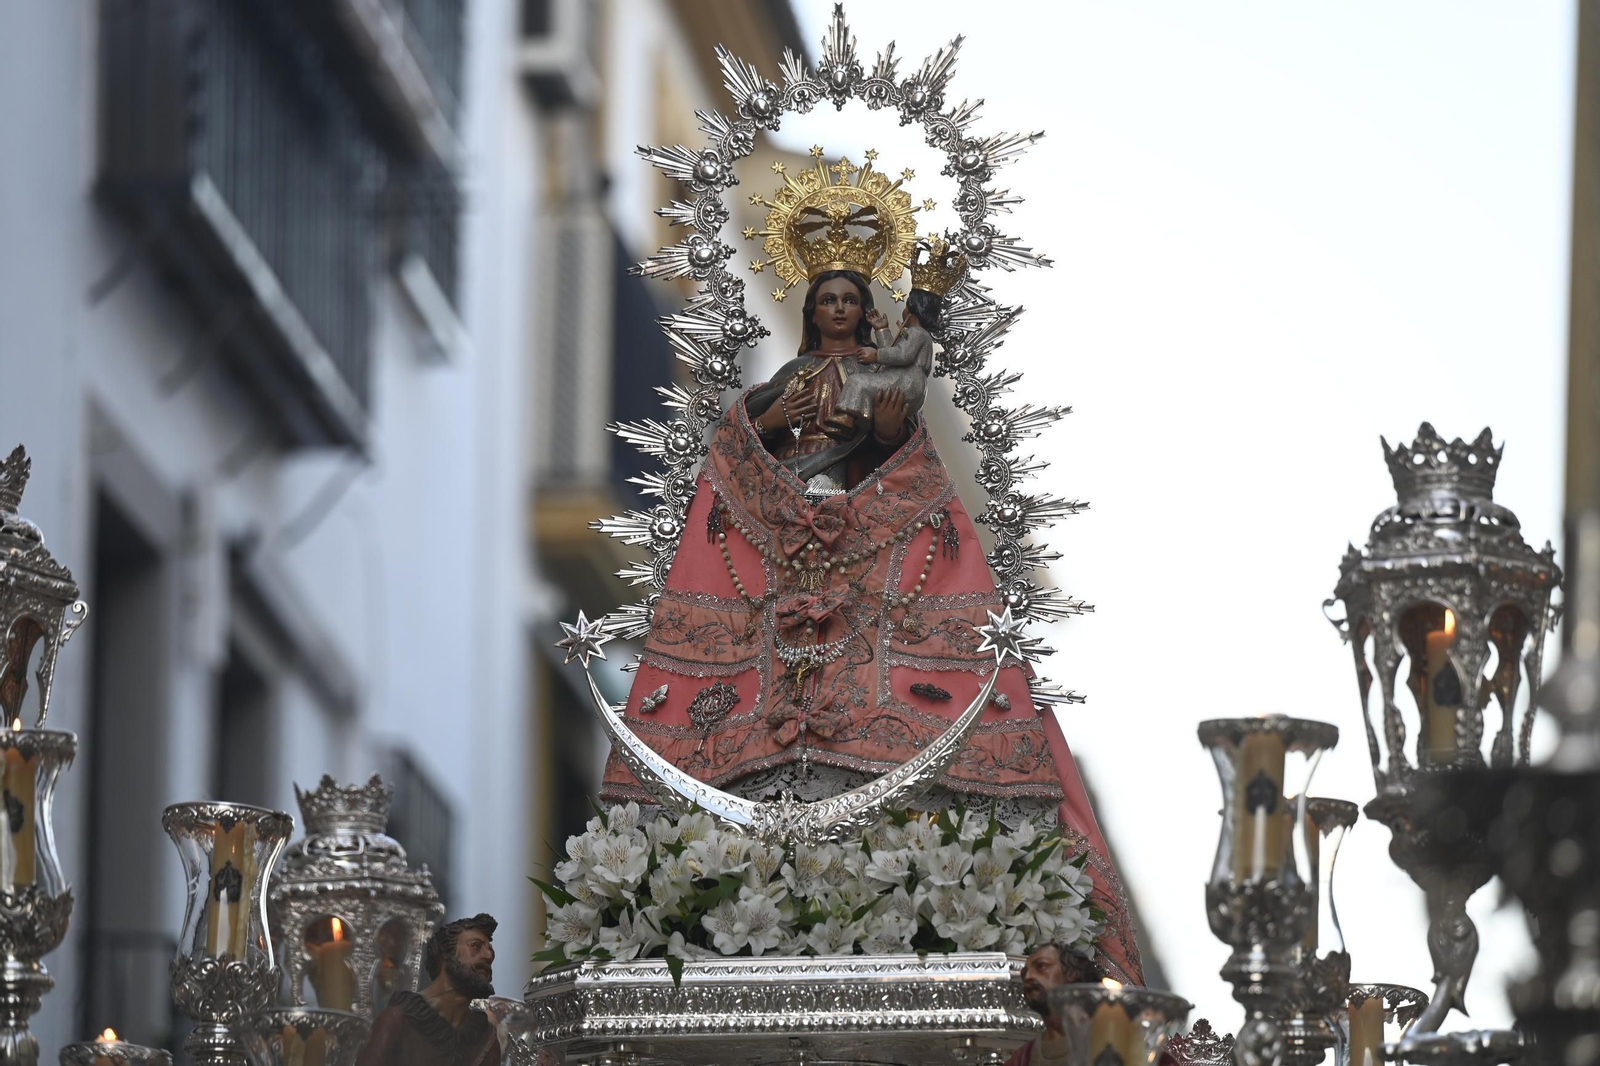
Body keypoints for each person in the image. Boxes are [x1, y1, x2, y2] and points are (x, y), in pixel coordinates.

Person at [600, 189, 1143, 984]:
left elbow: (897, 428)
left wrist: (902, 383)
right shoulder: (791, 377)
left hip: (873, 552)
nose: (842, 311)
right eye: (830, 301)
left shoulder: (884, 373)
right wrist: (774, 436)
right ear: (813, 310)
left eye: (853, 300)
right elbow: (746, 433)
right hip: (785, 538)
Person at [356, 913, 500, 1066]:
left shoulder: (484, 1037)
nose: (488, 956)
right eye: (476, 946)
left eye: (490, 950)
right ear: (446, 953)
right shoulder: (398, 1020)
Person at [1009, 941, 1105, 1066]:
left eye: (1041, 966)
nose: (1028, 977)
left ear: (1071, 973)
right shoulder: (1022, 1058)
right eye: (1024, 973)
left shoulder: (1109, 1043)